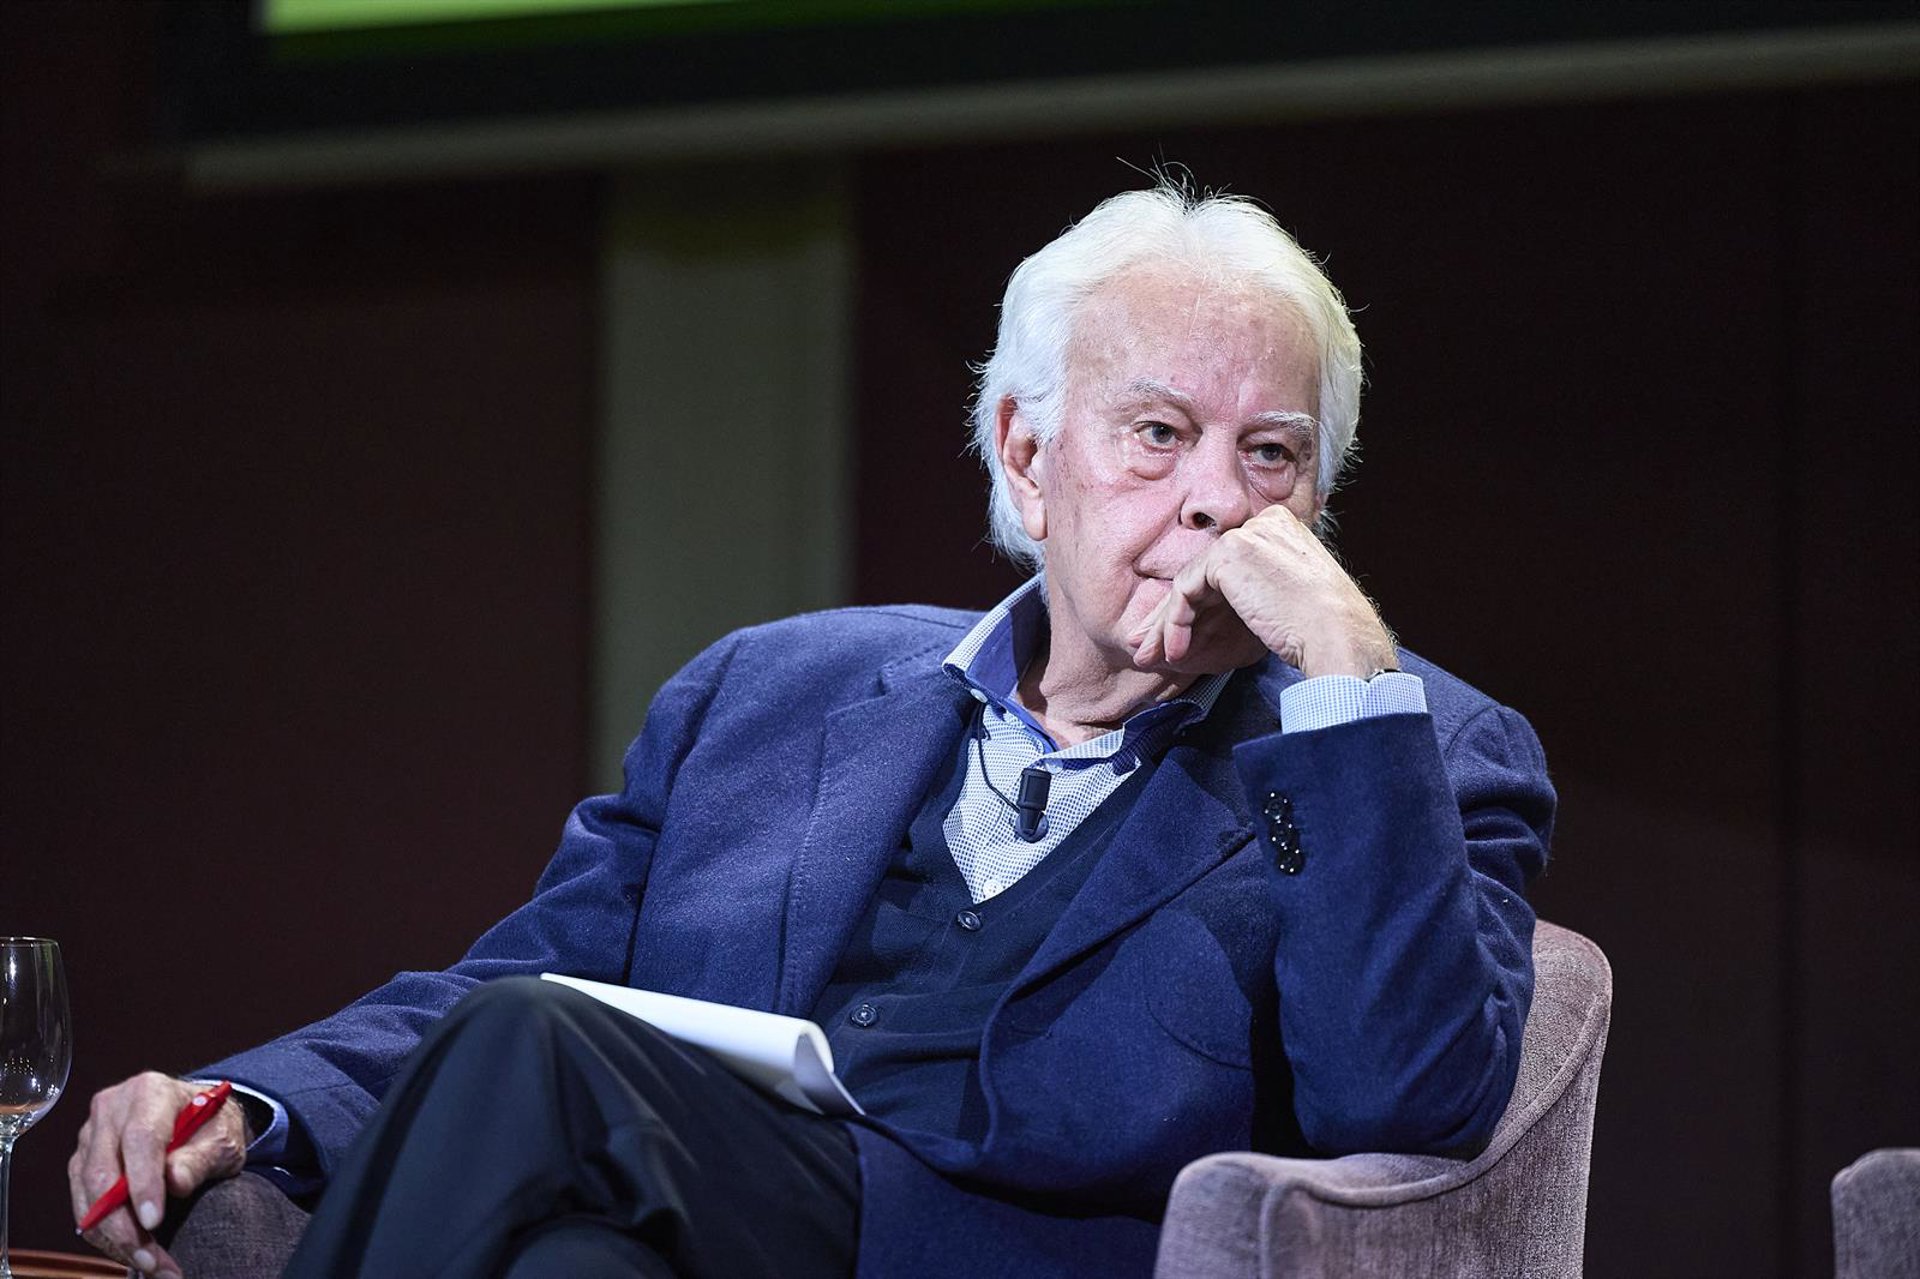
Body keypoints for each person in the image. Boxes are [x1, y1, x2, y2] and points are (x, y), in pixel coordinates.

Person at [68, 179, 1553, 1278]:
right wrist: (251, 1104)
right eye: (1159, 434)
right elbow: (521, 974)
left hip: (991, 1255)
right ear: (1027, 456)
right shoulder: (768, 694)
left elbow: (1406, 1107)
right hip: (707, 1227)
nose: (1218, 498)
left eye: (1271, 455)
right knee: (567, 1253)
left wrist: (1346, 674)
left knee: (544, 1056)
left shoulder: (1409, 750)